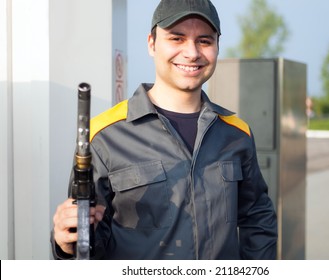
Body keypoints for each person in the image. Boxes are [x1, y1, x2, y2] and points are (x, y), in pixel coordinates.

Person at [51, 0, 277, 260]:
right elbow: (87, 242)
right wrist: (66, 245)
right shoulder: (105, 136)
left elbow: (257, 218)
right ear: (152, 43)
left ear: (216, 47)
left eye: (204, 41)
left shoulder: (237, 134)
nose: (192, 53)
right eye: (177, 38)